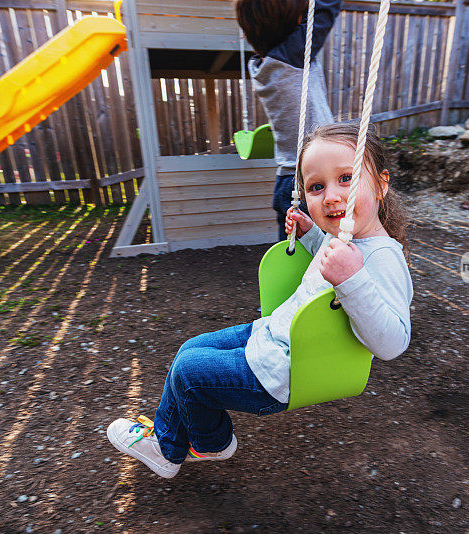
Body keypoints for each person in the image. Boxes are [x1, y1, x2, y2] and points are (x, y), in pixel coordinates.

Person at [107, 123, 414, 479]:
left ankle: (203, 444)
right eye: (316, 186)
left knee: (189, 375)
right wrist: (311, 234)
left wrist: (353, 279)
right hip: (270, 334)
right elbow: (327, 262)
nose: (330, 196)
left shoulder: (383, 258)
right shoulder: (345, 238)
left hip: (285, 371)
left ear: (381, 183)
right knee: (188, 350)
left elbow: (393, 343)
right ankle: (177, 443)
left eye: (346, 178)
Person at [235, 0, 341, 241]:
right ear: (294, 21)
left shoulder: (262, 64)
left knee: (296, 264)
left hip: (288, 182)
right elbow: (326, 9)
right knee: (327, 264)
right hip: (310, 186)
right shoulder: (291, 57)